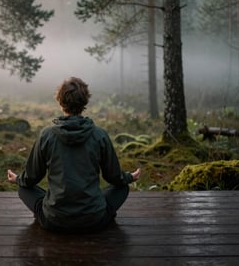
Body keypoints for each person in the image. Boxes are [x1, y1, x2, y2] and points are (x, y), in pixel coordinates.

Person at [7, 76, 141, 233]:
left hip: (54, 220)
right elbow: (113, 177)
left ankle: (56, 213)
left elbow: (31, 178)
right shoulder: (99, 135)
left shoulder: (46, 135)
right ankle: (98, 213)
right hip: (93, 219)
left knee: (23, 188)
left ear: (60, 101)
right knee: (122, 188)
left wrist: (17, 179)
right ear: (85, 102)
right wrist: (129, 177)